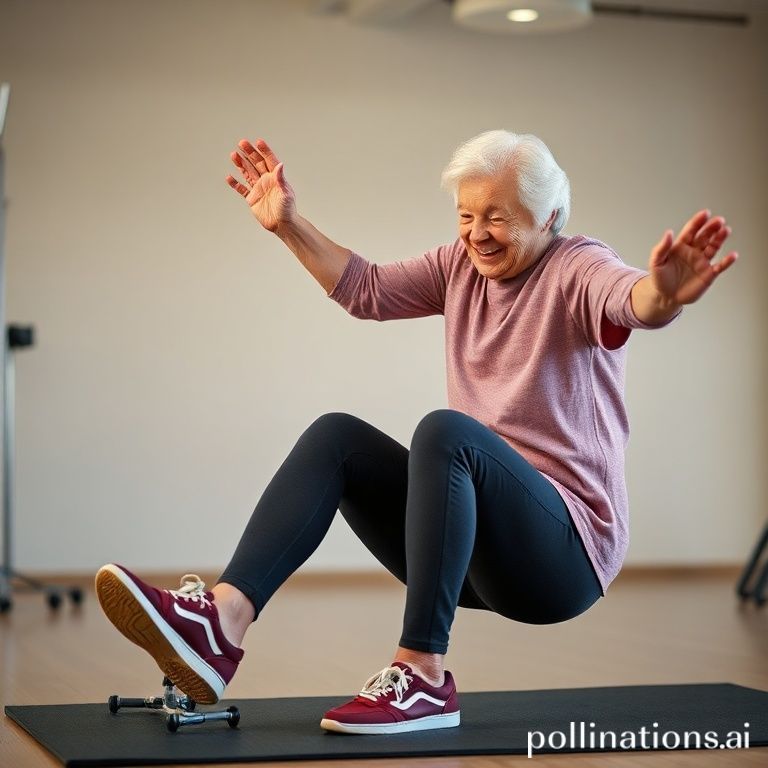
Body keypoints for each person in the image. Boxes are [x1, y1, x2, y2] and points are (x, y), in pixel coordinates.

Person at [95, 130, 737, 735]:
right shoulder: (460, 265)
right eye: (465, 217)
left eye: (497, 217)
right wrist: (288, 222)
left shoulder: (577, 266)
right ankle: (221, 623)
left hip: (564, 554)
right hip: (482, 550)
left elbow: (633, 301)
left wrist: (668, 292)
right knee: (336, 438)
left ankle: (423, 672)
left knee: (445, 433)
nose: (477, 235)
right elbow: (365, 288)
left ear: (549, 219)